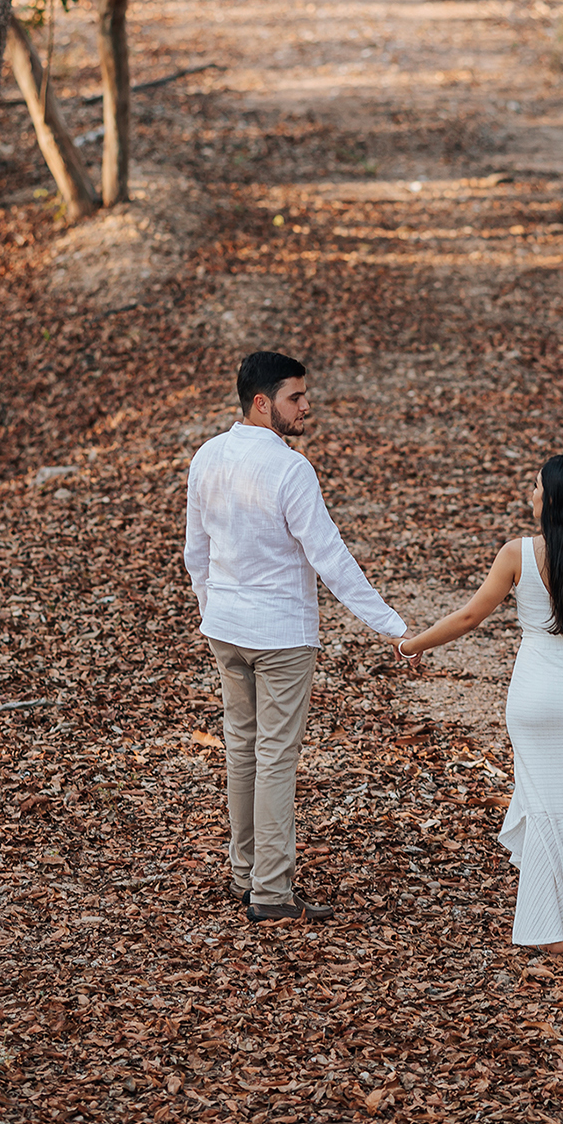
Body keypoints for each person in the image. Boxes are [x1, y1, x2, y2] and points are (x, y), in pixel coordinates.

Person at [184, 350, 412, 923]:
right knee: (274, 757)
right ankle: (271, 892)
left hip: (228, 631)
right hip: (280, 634)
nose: (306, 406)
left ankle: (245, 873)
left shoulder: (207, 456)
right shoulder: (290, 468)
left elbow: (197, 553)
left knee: (243, 749)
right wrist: (391, 625)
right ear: (262, 403)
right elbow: (329, 556)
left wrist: (215, 609)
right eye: (295, 398)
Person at [397, 456, 563, 954]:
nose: (529, 493)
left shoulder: (518, 553)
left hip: (536, 698)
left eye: (534, 487)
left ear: (550, 501)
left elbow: (469, 617)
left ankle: (546, 929)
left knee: (545, 806)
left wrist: (412, 644)